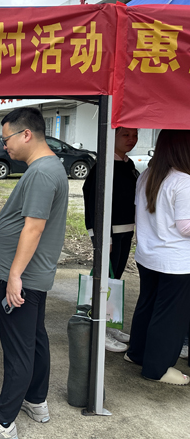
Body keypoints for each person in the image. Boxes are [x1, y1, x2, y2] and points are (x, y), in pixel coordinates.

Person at [0, 107, 68, 439]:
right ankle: (35, 399)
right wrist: (3, 250)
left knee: (18, 349)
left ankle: (2, 421)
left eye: (6, 138)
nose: (3, 145)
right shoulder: (48, 167)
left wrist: (15, 275)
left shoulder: (42, 173)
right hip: (28, 271)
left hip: (23, 277)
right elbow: (24, 222)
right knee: (34, 339)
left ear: (26, 134)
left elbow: (34, 228)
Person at [125, 129, 190, 385]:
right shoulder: (183, 181)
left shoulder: (147, 175)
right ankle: (158, 368)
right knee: (170, 316)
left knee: (147, 306)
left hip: (148, 256)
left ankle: (136, 353)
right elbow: (185, 227)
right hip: (176, 261)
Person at [83, 127, 139, 352]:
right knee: (103, 281)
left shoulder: (128, 164)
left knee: (115, 279)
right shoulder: (103, 167)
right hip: (109, 235)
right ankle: (96, 327)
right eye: (126, 134)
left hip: (126, 231)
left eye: (135, 135)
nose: (132, 139)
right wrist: (101, 237)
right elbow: (93, 203)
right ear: (112, 136)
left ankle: (108, 323)